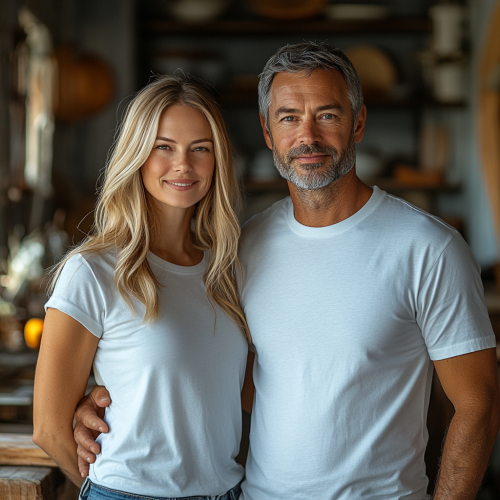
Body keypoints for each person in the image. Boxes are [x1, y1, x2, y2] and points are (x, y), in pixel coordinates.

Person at [74, 43, 500, 500]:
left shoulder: (428, 248)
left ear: (358, 122)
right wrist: (104, 402)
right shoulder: (241, 248)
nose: (307, 136)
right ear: (267, 130)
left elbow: (479, 404)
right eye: (289, 117)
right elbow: (226, 374)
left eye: (328, 115)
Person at [33, 75, 252, 500]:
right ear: (137, 155)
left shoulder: (228, 272)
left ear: (218, 161)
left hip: (227, 492)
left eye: (200, 149)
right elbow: (48, 429)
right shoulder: (93, 272)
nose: (183, 165)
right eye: (163, 147)